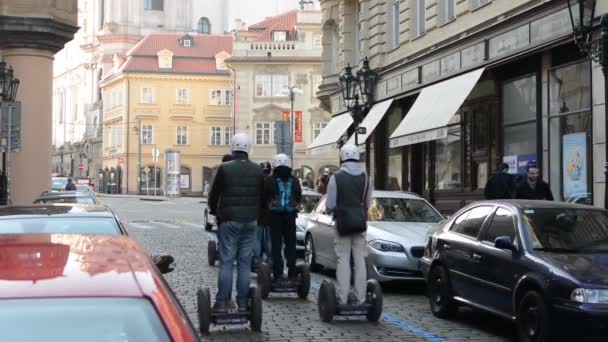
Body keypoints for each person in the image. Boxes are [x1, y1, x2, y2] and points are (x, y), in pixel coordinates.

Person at [208, 133, 263, 313]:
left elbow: (214, 194)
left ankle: (222, 302)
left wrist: (215, 212)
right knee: (244, 263)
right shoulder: (258, 170)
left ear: (233, 148)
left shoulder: (225, 168)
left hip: (230, 220)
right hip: (250, 221)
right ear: (249, 149)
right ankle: (242, 303)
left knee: (226, 261)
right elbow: (262, 197)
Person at [326, 145, 372, 305]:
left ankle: (342, 297)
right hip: (360, 223)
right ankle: (361, 298)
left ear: (342, 157)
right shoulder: (366, 177)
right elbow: (367, 203)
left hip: (343, 223)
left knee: (343, 259)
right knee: (360, 259)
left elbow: (330, 205)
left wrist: (332, 209)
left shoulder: (336, 177)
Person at [262, 153, 302, 282]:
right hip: (290, 216)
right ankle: (292, 271)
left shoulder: (269, 180)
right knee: (290, 244)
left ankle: (278, 272)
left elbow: (263, 199)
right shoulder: (294, 180)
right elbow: (298, 197)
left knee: (276, 245)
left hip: (275, 217)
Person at [254, 161, 273, 268]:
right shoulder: (272, 181)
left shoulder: (257, 181)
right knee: (269, 239)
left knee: (257, 238)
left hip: (259, 214)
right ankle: (270, 259)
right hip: (270, 214)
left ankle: (257, 260)